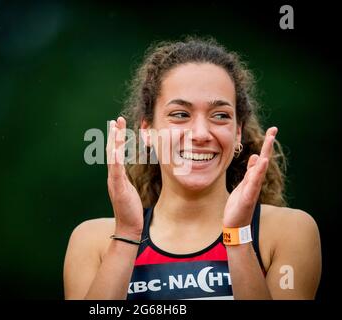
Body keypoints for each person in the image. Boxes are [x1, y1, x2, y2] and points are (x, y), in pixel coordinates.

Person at [63, 37, 321, 300]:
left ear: (238, 132)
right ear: (147, 131)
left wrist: (238, 238)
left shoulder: (288, 232)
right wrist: (127, 236)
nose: (200, 133)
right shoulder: (93, 241)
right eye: (180, 114)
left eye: (220, 116)